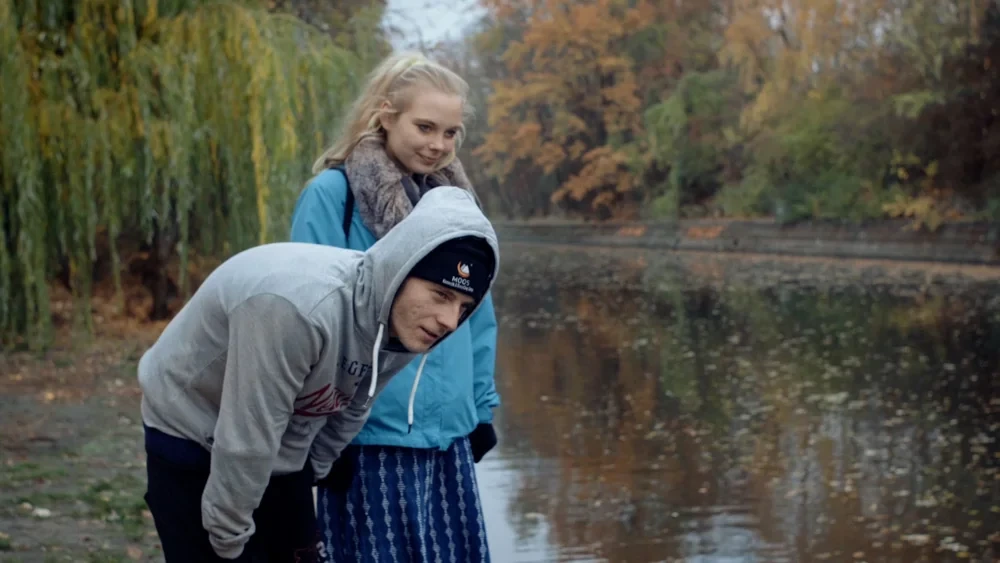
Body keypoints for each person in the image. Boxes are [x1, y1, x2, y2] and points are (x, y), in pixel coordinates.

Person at [138, 185, 499, 562]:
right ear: (401, 271)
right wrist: (229, 544)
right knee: (223, 545)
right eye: (441, 295)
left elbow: (356, 403)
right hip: (190, 422)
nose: (449, 321)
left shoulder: (405, 323)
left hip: (278, 435)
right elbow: (247, 439)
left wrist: (316, 467)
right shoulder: (298, 311)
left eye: (464, 306)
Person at [289, 51, 501, 562]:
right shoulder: (333, 196)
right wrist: (321, 435)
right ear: (386, 114)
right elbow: (312, 318)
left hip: (449, 436)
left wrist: (481, 409)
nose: (438, 145)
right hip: (367, 434)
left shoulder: (457, 206)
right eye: (425, 127)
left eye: (451, 133)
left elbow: (478, 317)